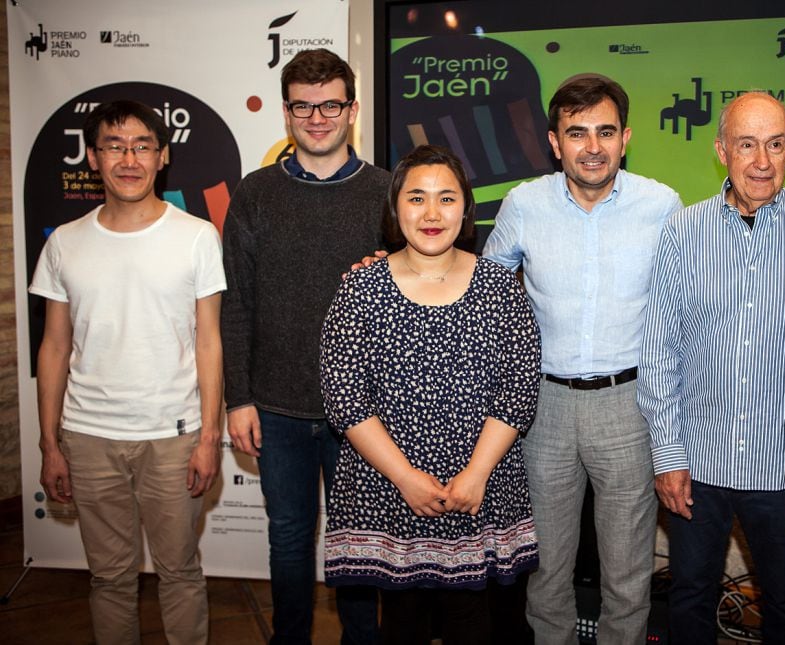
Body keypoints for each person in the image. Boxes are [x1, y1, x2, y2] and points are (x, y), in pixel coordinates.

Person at [637, 92, 785, 644]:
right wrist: (668, 455)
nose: (761, 161)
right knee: (690, 598)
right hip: (698, 466)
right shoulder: (682, 232)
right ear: (721, 149)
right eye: (746, 144)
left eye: (775, 145)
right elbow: (659, 353)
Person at [484, 75, 682, 644]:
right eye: (577, 133)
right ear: (554, 142)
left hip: (629, 405)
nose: (592, 146)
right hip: (542, 408)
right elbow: (481, 292)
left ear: (625, 138)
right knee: (547, 568)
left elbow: (687, 301)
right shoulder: (523, 204)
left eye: (604, 132)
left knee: (627, 570)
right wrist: (400, 268)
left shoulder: (661, 205)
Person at [320, 144, 541, 645]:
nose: (432, 213)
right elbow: (344, 397)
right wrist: (405, 478)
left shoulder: (500, 288)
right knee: (401, 624)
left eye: (447, 198)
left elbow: (519, 387)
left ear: (466, 208)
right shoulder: (360, 289)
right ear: (396, 209)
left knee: (475, 623)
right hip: (391, 492)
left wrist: (476, 474)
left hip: (479, 490)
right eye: (417, 198)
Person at [32, 100, 224, 645]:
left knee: (180, 572)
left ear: (162, 157)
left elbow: (210, 342)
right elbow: (53, 346)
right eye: (114, 146)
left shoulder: (196, 237)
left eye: (142, 146)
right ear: (92, 158)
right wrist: (50, 444)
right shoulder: (64, 242)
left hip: (174, 437)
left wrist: (211, 436)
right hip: (89, 438)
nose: (129, 158)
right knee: (109, 577)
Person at [221, 48, 389, 644]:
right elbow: (235, 303)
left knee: (358, 544)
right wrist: (236, 399)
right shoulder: (255, 194)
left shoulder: (388, 193)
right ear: (287, 113)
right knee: (289, 537)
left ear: (352, 110)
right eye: (303, 107)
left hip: (365, 415)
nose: (317, 118)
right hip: (275, 407)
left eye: (330, 105)